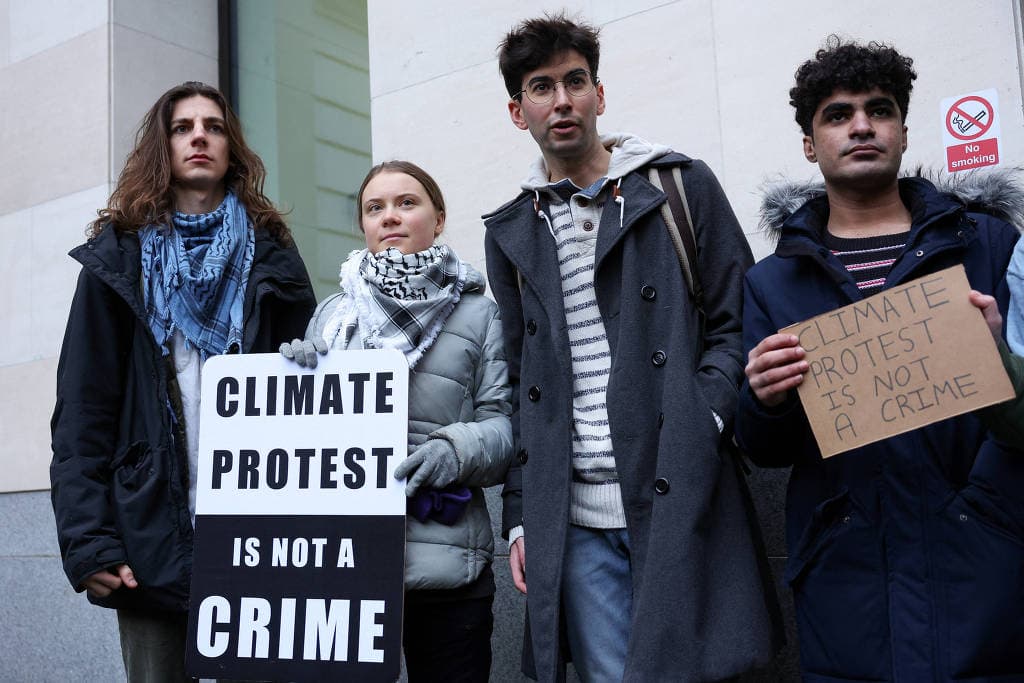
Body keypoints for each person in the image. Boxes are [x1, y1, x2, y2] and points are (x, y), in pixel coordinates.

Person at [483, 14, 782, 682]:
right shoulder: (512, 230)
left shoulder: (677, 185)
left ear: (599, 94)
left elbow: (737, 322)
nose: (561, 100)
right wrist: (522, 516)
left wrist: (702, 418)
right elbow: (523, 383)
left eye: (574, 81)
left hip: (679, 483)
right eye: (541, 86)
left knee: (705, 669)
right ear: (517, 109)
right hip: (576, 517)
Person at [736, 37, 1024, 680]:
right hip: (849, 583)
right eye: (837, 115)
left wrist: (1003, 359)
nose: (861, 125)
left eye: (879, 109)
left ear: (901, 129)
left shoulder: (990, 245)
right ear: (810, 144)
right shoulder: (771, 284)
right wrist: (763, 398)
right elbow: (768, 448)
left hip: (984, 567)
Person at [49, 81, 316, 681]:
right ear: (162, 147)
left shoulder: (274, 254)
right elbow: (82, 411)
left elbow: (311, 401)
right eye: (182, 127)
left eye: (214, 126)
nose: (199, 136)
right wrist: (90, 542)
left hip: (259, 535)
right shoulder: (115, 261)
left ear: (232, 149)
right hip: (149, 539)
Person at [281, 160, 512, 683]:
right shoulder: (333, 315)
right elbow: (305, 444)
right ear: (362, 226)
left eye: (407, 203)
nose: (390, 217)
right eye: (375, 207)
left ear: (439, 216)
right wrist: (291, 382)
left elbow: (507, 426)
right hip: (346, 567)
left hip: (448, 570)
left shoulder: (480, 315)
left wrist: (456, 449)